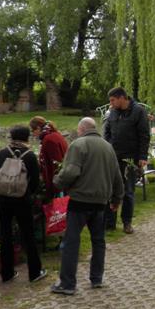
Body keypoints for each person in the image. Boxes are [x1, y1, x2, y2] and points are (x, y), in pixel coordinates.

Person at [51, 118, 124, 295]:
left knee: (71, 242)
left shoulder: (78, 145)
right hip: (100, 202)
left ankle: (68, 284)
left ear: (81, 129)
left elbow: (71, 171)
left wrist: (57, 182)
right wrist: (116, 199)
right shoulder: (108, 147)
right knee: (98, 241)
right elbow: (117, 176)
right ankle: (96, 278)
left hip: (80, 201)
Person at [0, 125, 46, 283]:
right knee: (28, 235)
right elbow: (35, 181)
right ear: (27, 138)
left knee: (5, 235)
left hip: (3, 199)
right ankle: (35, 273)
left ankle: (7, 273)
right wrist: (28, 193)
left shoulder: (2, 153)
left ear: (11, 136)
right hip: (22, 200)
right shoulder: (29, 156)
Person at [102, 87, 150, 234]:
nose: (110, 103)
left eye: (112, 100)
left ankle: (127, 222)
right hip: (113, 157)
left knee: (128, 191)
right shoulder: (112, 112)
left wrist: (142, 156)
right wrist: (109, 147)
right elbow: (107, 132)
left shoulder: (138, 111)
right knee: (110, 189)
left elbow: (144, 135)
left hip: (131, 158)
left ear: (122, 98)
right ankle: (109, 223)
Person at [29, 116, 69, 201]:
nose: (33, 133)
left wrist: (51, 189)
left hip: (57, 185)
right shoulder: (55, 134)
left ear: (38, 128)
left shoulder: (48, 139)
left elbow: (54, 165)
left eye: (33, 130)